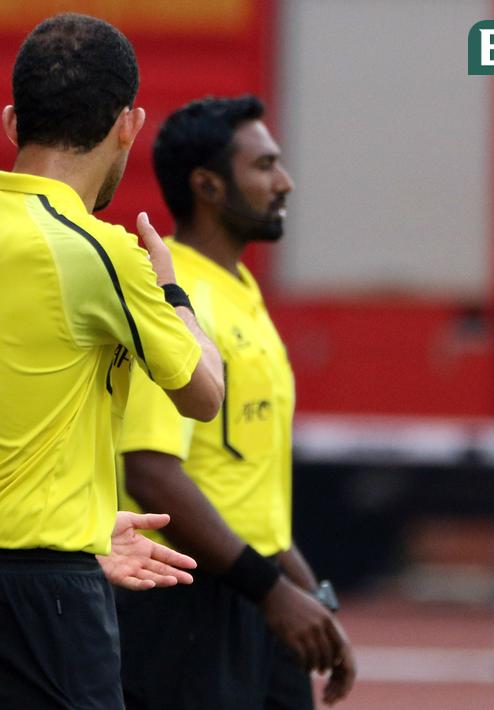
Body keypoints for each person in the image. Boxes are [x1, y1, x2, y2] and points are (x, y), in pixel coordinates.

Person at [0, 13, 225, 709]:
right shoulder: (102, 252)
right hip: (52, 602)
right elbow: (204, 393)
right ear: (128, 124)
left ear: (11, 122)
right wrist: (173, 290)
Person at [114, 95, 356, 708]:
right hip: (183, 602)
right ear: (209, 186)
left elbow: (250, 497)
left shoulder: (240, 290)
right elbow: (148, 468)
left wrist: (314, 600)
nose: (285, 182)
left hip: (250, 594)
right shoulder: (174, 295)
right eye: (264, 166)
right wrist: (276, 594)